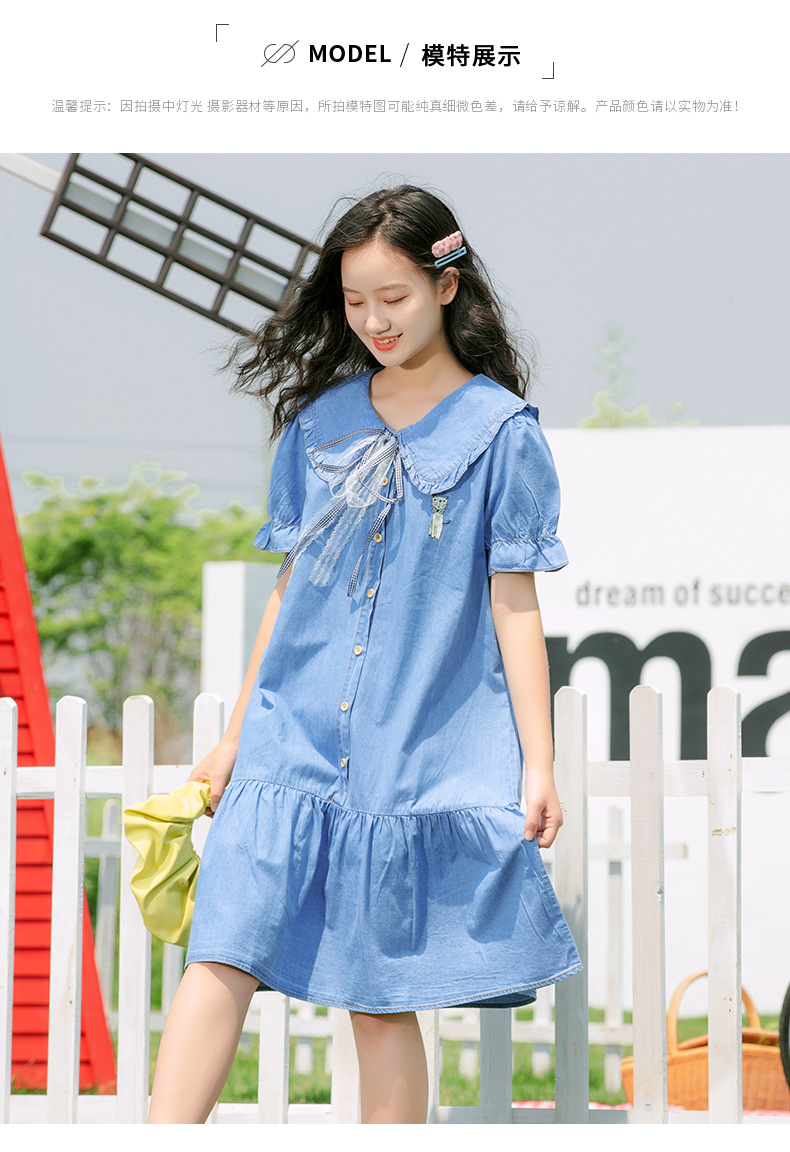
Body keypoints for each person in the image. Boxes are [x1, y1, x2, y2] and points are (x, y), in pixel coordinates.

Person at [148, 185, 581, 1124]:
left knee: (378, 995)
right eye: (354, 302)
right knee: (220, 949)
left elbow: (514, 605)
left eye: (394, 297)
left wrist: (538, 762)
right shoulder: (319, 425)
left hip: (409, 750)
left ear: (446, 287)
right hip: (286, 738)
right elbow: (290, 588)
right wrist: (234, 737)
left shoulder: (503, 434)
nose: (374, 321)